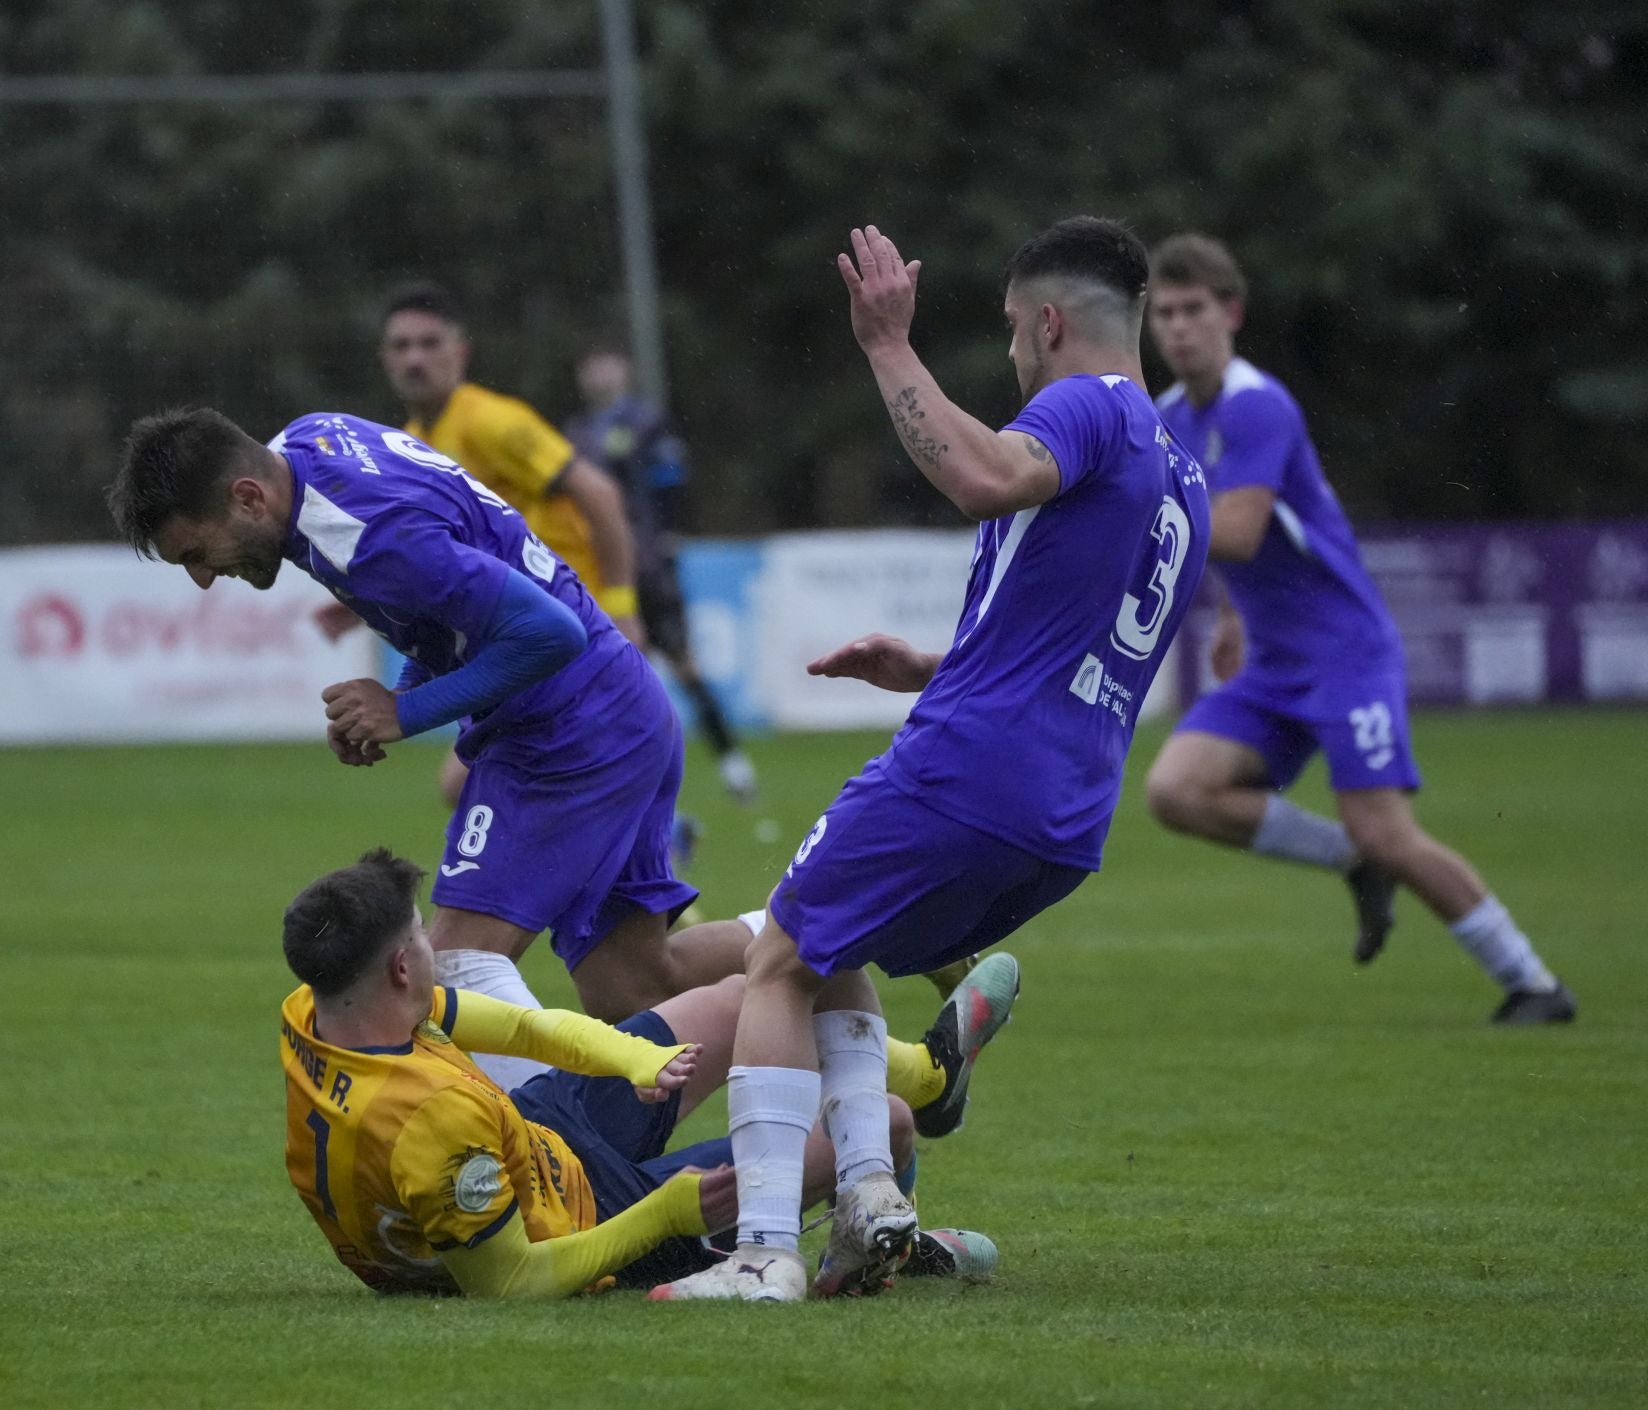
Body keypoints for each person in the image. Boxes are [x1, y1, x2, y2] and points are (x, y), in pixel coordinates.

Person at [653, 217, 1210, 1303]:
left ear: (1049, 323)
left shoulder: (1085, 405)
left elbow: (984, 475)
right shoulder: (1178, 471)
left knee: (774, 960)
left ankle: (762, 1252)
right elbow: (1087, 636)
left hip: (970, 772)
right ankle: (870, 1204)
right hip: (1063, 819)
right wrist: (936, 662)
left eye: (1011, 329)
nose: (1010, 351)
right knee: (829, 944)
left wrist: (886, 345)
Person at [106, 404, 735, 1086]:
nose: (202, 577)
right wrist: (398, 695)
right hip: (618, 707)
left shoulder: (371, 539)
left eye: (197, 553)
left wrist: (405, 711)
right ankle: (796, 942)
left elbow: (550, 634)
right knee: (634, 985)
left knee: (454, 966)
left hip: (569, 730)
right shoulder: (312, 437)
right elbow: (447, 600)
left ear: (248, 498)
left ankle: (564, 1159)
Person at [1142, 233, 1575, 1025]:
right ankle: (1350, 862)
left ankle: (1535, 983)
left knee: (1389, 832)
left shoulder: (1255, 403)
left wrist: (1132, 521)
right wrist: (1235, 613)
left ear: (1230, 312)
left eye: (1193, 309)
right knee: (1176, 792)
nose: (1177, 328)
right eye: (1163, 313)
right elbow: (1242, 535)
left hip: (1344, 653)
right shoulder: (1171, 414)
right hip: (1274, 660)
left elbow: (1235, 530)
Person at [277, 848, 1004, 1297]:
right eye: (420, 938)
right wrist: (668, 1214)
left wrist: (639, 1060)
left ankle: (936, 1080)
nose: (436, 945)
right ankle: (891, 1243)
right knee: (886, 1126)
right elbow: (513, 1283)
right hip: (592, 1212)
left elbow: (524, 1027)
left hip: (533, 1129)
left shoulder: (322, 1012)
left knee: (744, 995)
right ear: (402, 966)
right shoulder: (433, 1124)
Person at [313, 283, 649, 810]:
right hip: (517, 626)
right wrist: (354, 607)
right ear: (384, 358)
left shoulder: (495, 422)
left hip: (568, 619)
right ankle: (639, 847)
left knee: (472, 781)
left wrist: (623, 608)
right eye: (400, 346)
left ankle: (632, 845)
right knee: (494, 782)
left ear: (460, 353)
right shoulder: (408, 439)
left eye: (429, 343)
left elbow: (601, 495)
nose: (414, 358)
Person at [567, 345, 758, 804]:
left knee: (682, 663)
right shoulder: (573, 433)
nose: (598, 371)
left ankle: (733, 762)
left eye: (606, 360)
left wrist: (669, 536)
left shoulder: (646, 423)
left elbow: (671, 481)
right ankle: (621, 781)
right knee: (607, 675)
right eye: (590, 364)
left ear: (624, 369)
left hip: (648, 567)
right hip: (596, 571)